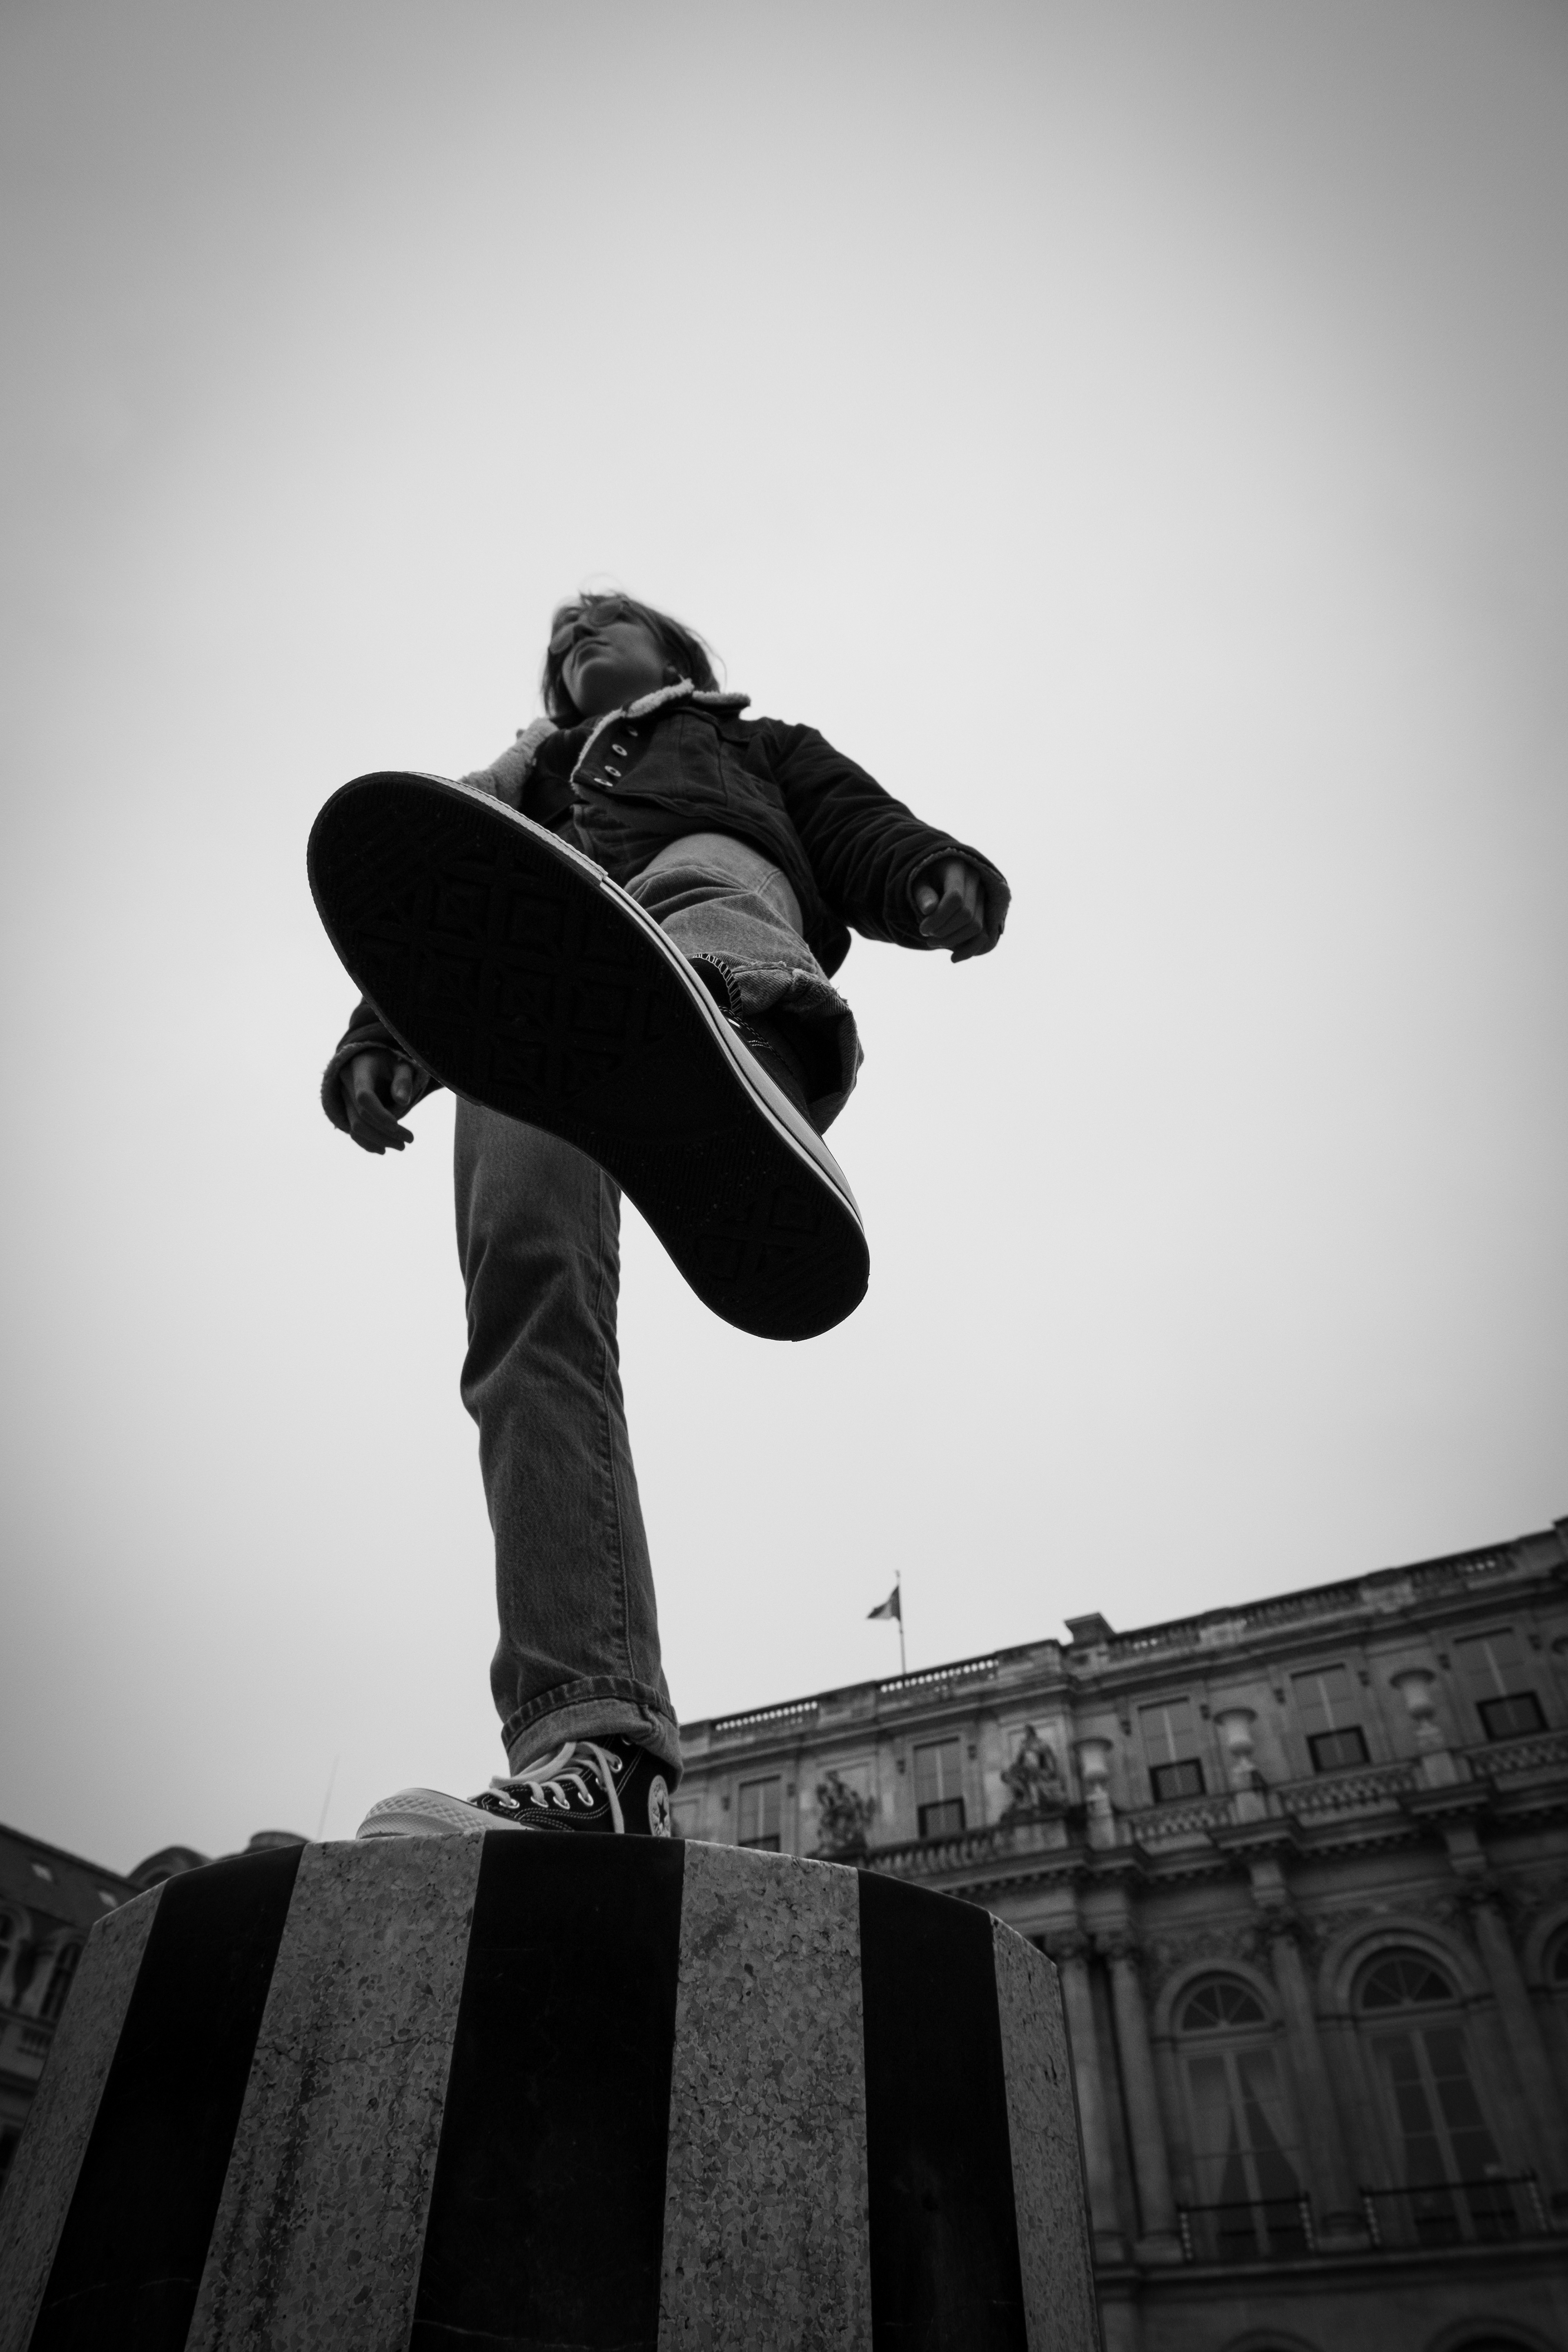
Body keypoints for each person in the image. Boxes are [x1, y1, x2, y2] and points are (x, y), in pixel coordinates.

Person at [310, 592, 1009, 1841]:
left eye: (605, 621)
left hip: (706, 918)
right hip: (527, 1018)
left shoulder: (747, 741)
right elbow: (435, 917)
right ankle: (597, 1753)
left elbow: (853, 823)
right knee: (522, 1312)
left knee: (703, 876)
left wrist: (926, 877)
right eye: (560, 635)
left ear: (674, 653)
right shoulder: (512, 793)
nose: (576, 634)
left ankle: (742, 1055)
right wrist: (384, 1037)